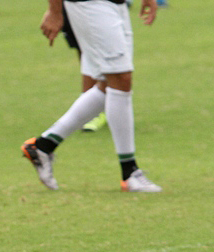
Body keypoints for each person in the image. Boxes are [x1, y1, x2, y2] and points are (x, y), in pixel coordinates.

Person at [22, 0, 162, 192]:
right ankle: (129, 172)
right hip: (89, 4)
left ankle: (43, 146)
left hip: (116, 5)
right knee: (120, 78)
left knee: (108, 83)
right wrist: (54, 12)